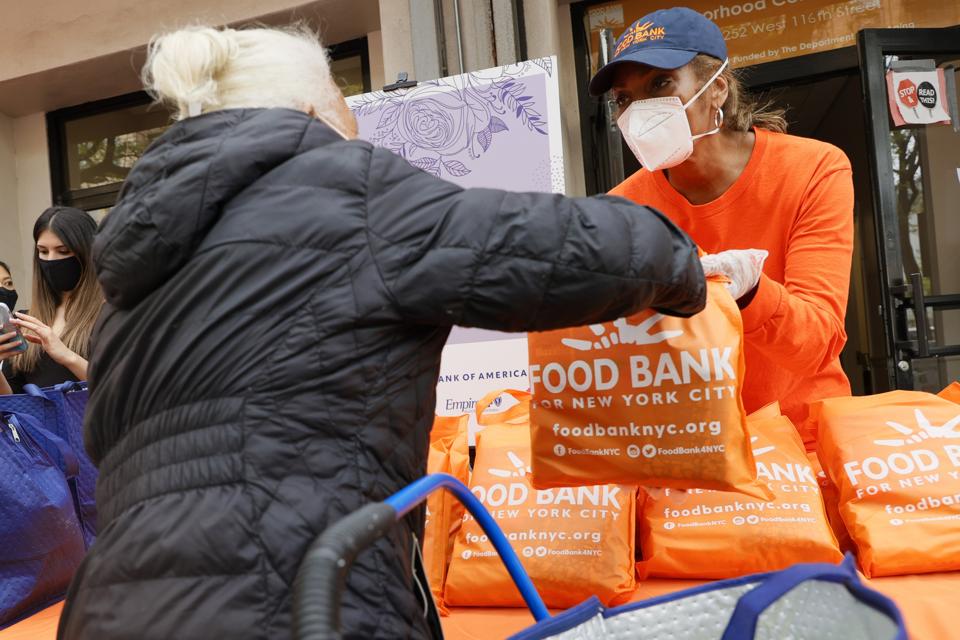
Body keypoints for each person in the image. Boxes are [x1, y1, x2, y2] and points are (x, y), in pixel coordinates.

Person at [57, 25, 706, 640]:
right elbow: (548, 250)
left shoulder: (130, 283)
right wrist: (682, 261)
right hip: (291, 592)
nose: (355, 125)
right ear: (309, 110)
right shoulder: (344, 189)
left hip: (111, 605)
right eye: (345, 105)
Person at [589, 7, 854, 445]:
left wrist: (750, 290)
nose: (640, 111)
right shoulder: (620, 210)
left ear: (716, 89)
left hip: (800, 445)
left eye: (660, 83)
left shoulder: (813, 169)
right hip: (692, 448)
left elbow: (817, 343)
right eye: (624, 98)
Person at [0, 207, 102, 395]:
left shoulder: (113, 315)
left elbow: (124, 392)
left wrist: (67, 357)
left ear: (87, 254)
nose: (51, 260)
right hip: (39, 424)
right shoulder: (25, 321)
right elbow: (13, 403)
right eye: (43, 251)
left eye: (63, 251)